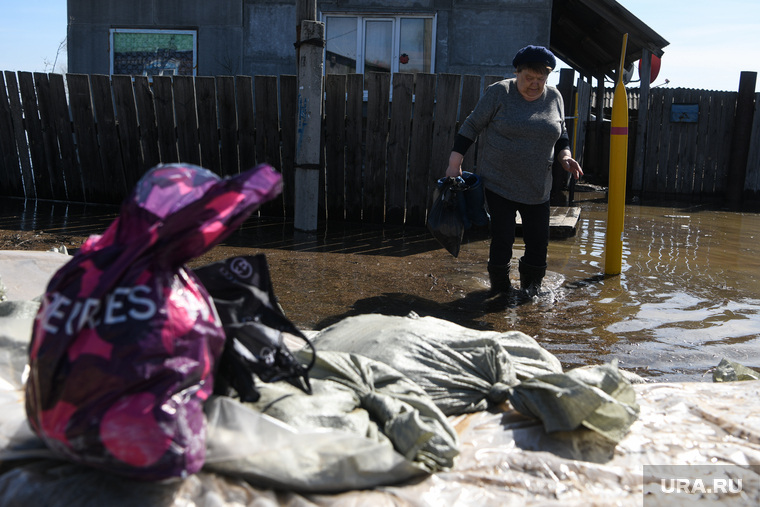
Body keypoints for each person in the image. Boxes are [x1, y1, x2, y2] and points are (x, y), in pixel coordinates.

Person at [445, 45, 583, 297]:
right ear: (517, 72)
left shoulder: (555, 97)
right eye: (529, 78)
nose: (535, 84)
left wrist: (566, 157)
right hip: (499, 182)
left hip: (538, 185)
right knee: (503, 238)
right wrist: (455, 163)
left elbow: (560, 133)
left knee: (539, 243)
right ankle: (500, 290)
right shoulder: (499, 92)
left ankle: (532, 292)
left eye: (541, 79)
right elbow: (472, 125)